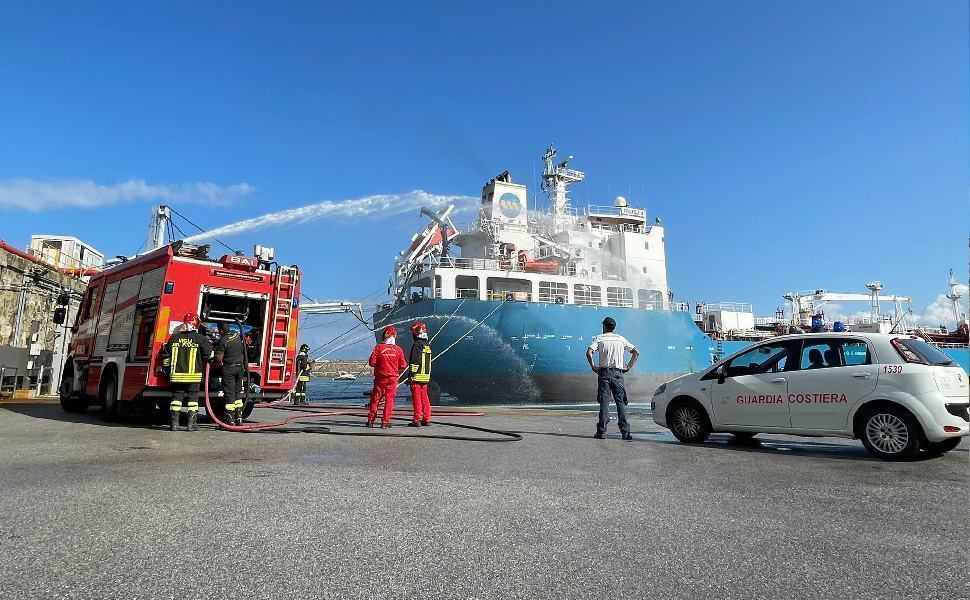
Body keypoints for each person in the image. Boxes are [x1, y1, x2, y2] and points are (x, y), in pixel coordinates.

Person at [585, 316, 639, 440]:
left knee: (604, 402)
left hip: (604, 374)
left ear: (604, 326)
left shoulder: (599, 338)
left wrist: (594, 366)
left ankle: (601, 432)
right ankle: (625, 432)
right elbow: (636, 352)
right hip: (618, 374)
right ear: (614, 327)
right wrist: (628, 366)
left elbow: (589, 352)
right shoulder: (621, 339)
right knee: (620, 402)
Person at [161, 313, 214, 432]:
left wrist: (167, 369)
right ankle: (191, 424)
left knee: (176, 399)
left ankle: (173, 424)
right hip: (193, 376)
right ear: (197, 325)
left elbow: (165, 355)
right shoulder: (200, 338)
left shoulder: (174, 338)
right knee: (193, 399)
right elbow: (209, 355)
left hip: (176, 376)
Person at [367, 326, 408, 428]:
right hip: (393, 378)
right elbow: (403, 365)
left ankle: (370, 421)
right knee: (389, 400)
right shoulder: (398, 349)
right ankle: (385, 422)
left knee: (375, 399)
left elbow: (372, 362)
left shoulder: (378, 348)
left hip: (380, 378)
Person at [215, 322, 247, 425]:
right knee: (238, 393)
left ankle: (230, 420)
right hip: (240, 368)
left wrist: (215, 354)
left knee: (229, 394)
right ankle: (239, 418)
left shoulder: (223, 340)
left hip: (229, 369)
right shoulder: (236, 335)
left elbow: (219, 358)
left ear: (220, 331)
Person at [406, 322, 433, 427]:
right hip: (426, 377)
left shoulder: (417, 345)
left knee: (417, 399)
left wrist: (411, 374)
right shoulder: (428, 345)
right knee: (425, 398)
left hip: (417, 377)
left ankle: (417, 419)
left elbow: (415, 361)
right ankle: (427, 418)